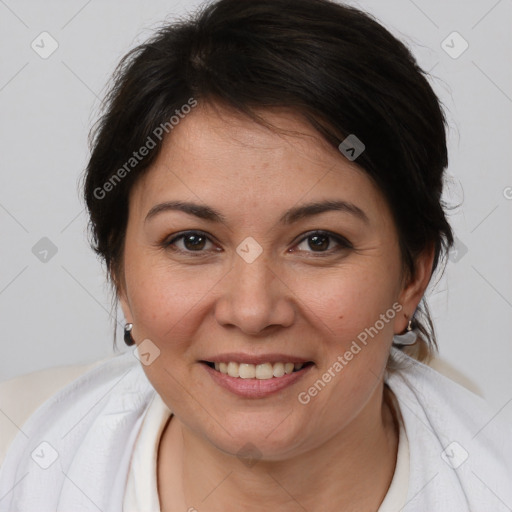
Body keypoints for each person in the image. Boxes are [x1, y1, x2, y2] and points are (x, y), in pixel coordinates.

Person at [1, 0, 511, 510]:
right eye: (193, 241)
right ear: (120, 277)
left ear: (411, 277)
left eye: (318, 241)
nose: (251, 311)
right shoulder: (18, 459)